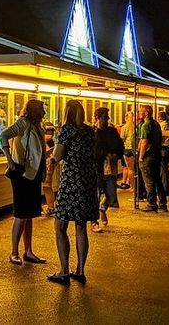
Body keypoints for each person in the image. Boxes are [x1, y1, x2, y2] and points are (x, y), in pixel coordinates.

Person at [46, 100, 97, 285]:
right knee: (81, 226)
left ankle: (64, 270)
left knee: (60, 226)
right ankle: (80, 270)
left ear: (67, 113)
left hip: (71, 181)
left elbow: (58, 156)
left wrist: (51, 158)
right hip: (88, 181)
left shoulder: (66, 130)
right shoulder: (89, 131)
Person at [0, 99, 48, 264]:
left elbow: (40, 151)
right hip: (22, 172)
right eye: (42, 109)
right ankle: (14, 251)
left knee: (29, 214)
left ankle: (28, 251)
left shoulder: (37, 126)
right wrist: (10, 160)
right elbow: (3, 135)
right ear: (35, 111)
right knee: (21, 214)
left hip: (33, 173)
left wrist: (44, 171)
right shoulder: (24, 123)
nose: (44, 112)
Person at [90, 107, 124, 232]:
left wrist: (117, 154)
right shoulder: (92, 132)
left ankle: (102, 209)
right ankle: (94, 222)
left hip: (111, 167)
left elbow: (120, 146)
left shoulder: (112, 131)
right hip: (96, 168)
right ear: (98, 118)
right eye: (105, 117)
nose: (108, 119)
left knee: (111, 194)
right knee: (96, 195)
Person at [138, 105, 166, 212]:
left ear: (146, 113)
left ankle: (152, 203)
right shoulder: (156, 124)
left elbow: (144, 142)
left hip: (148, 156)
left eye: (140, 111)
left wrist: (141, 156)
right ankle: (163, 203)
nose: (139, 113)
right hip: (157, 155)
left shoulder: (145, 125)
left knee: (148, 181)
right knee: (157, 179)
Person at [41, 122, 58, 216]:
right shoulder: (53, 141)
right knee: (47, 186)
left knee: (46, 186)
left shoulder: (46, 141)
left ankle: (51, 208)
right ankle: (51, 207)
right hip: (49, 165)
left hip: (47, 164)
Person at [157, 110, 169, 197]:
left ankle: (165, 189)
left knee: (163, 169)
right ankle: (166, 188)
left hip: (163, 147)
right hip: (167, 148)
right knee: (165, 169)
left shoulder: (163, 126)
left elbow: (160, 137)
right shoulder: (168, 125)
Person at [119, 114, 136, 190]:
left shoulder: (125, 127)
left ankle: (132, 187)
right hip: (135, 149)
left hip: (127, 149)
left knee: (130, 169)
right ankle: (133, 185)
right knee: (133, 169)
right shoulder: (136, 126)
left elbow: (122, 138)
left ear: (126, 118)